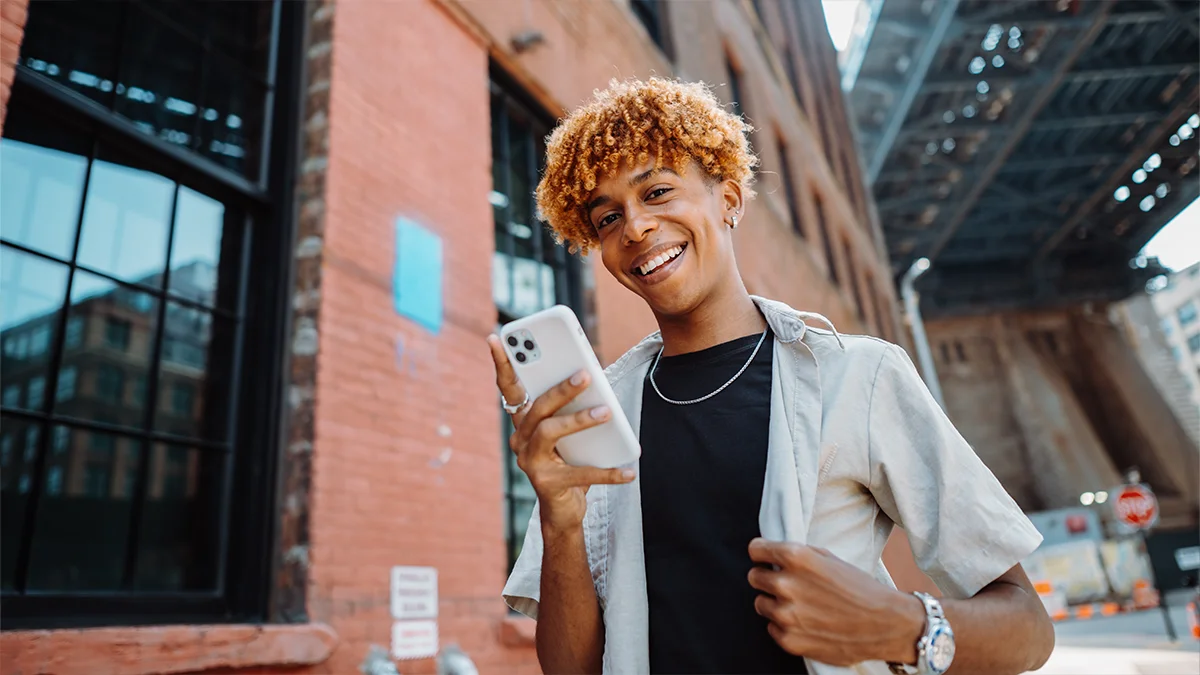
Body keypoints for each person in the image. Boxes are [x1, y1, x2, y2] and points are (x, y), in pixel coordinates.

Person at [488, 78, 1054, 675]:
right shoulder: (599, 415)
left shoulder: (857, 377)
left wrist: (900, 625)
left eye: (657, 191)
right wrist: (560, 516)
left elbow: (1027, 629)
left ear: (729, 198)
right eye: (607, 218)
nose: (634, 228)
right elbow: (569, 669)